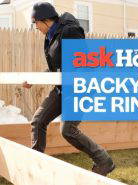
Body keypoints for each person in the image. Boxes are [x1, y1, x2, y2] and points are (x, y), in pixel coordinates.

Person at [23, 2, 115, 176]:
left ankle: (104, 160)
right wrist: (35, 79)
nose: (36, 28)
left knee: (68, 130)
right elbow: (55, 68)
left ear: (44, 20)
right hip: (62, 87)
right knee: (38, 121)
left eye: (36, 24)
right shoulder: (50, 36)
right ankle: (35, 164)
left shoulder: (70, 31)